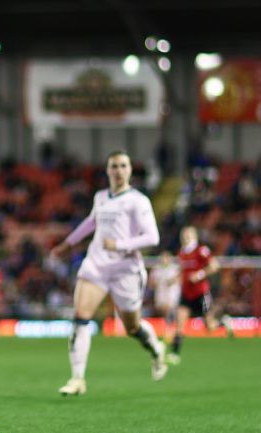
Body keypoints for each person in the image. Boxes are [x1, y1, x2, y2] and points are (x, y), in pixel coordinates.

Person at [50, 150, 168, 396]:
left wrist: (120, 245)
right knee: (81, 316)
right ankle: (77, 378)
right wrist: (68, 243)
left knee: (132, 327)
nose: (118, 170)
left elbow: (152, 237)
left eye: (123, 165)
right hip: (97, 264)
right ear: (107, 170)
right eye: (114, 166)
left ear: (130, 170)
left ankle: (156, 349)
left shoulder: (138, 200)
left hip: (126, 269)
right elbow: (91, 222)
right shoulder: (101, 197)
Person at [169, 226, 233, 364]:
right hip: (186, 294)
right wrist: (174, 279)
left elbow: (214, 266)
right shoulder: (182, 253)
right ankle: (174, 354)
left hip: (202, 293)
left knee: (209, 326)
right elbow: (182, 271)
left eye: (188, 234)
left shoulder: (201, 251)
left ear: (194, 236)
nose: (185, 237)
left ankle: (223, 322)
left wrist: (199, 275)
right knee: (179, 323)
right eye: (183, 234)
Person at [149, 251, 181, 342]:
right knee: (163, 312)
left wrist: (171, 281)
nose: (163, 260)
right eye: (162, 257)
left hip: (171, 294)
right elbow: (151, 283)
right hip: (160, 294)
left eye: (166, 257)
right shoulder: (156, 269)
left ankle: (171, 332)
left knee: (169, 311)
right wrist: (154, 283)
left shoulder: (174, 268)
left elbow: (178, 278)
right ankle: (169, 330)